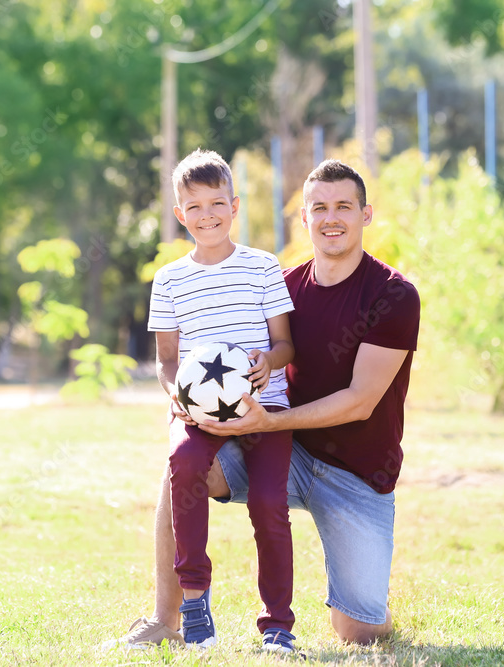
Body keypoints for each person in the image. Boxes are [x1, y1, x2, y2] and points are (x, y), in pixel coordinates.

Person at [120, 158, 420, 649]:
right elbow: (206, 350)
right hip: (284, 446)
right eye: (318, 208)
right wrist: (192, 398)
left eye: (344, 206)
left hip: (355, 474)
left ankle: (364, 598)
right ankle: (168, 617)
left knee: (359, 632)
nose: (331, 218)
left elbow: (360, 402)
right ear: (303, 219)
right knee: (183, 466)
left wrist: (267, 421)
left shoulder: (394, 294)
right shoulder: (280, 283)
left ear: (365, 215)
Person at [140, 148, 298, 652]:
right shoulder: (169, 280)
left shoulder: (262, 267)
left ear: (235, 205)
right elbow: (166, 360)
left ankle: (277, 624)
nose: (206, 215)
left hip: (264, 407)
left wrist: (268, 363)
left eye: (216, 203)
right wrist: (176, 396)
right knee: (182, 467)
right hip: (196, 414)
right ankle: (194, 604)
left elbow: (286, 345)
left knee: (271, 503)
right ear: (179, 213)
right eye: (194, 206)